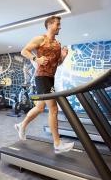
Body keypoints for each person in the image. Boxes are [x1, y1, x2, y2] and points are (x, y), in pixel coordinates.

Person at [14, 16, 74, 154]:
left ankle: (21, 125)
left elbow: (57, 63)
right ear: (49, 25)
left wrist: (63, 57)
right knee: (53, 109)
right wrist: (36, 58)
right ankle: (57, 143)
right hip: (41, 77)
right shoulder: (41, 39)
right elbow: (24, 51)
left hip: (50, 78)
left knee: (40, 108)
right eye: (58, 24)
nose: (60, 27)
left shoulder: (58, 44)